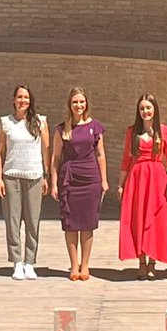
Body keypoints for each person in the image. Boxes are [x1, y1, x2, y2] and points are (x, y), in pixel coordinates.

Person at [118, 93, 167, 279]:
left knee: (155, 219)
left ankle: (152, 262)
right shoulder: (132, 131)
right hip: (137, 178)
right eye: (142, 108)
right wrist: (121, 184)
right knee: (138, 218)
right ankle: (142, 262)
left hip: (157, 179)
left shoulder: (164, 131)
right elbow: (126, 159)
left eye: (148, 107)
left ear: (155, 109)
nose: (145, 111)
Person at [49, 87, 107, 281]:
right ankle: (74, 265)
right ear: (69, 104)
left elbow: (101, 154)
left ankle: (85, 264)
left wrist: (104, 180)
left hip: (90, 179)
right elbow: (56, 158)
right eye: (75, 102)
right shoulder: (62, 129)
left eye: (81, 101)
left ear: (86, 103)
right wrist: (54, 183)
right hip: (70, 179)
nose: (79, 105)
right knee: (71, 224)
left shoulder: (95, 126)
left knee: (88, 223)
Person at [0, 85, 49, 281]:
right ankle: (17, 262)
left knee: (33, 221)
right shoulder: (6, 122)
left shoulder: (40, 122)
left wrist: (46, 176)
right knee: (13, 221)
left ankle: (29, 262)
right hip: (11, 176)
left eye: (26, 97)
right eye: (19, 97)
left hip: (34, 176)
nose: (23, 101)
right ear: (14, 100)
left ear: (30, 100)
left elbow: (46, 151)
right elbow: (0, 152)